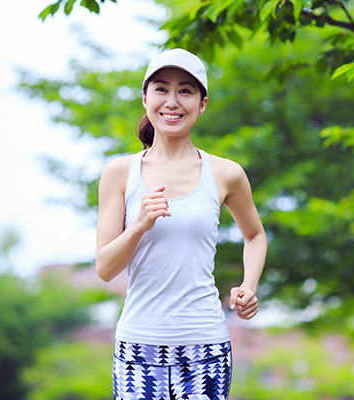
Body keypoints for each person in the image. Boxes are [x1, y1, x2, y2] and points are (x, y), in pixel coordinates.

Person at [96, 48, 267, 400]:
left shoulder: (226, 173)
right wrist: (138, 225)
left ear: (202, 104)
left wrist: (249, 286)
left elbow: (255, 236)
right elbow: (105, 267)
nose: (172, 101)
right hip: (138, 350)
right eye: (161, 89)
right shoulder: (118, 173)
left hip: (205, 347)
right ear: (145, 98)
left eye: (185, 91)